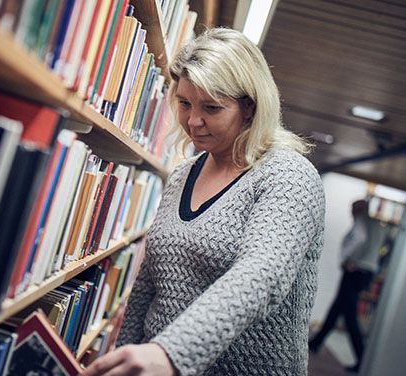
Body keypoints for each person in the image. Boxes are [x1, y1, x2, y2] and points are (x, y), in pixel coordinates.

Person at [81, 27, 325, 376]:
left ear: (249, 108)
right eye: (184, 103)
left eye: (211, 107)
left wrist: (171, 353)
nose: (193, 121)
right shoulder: (183, 175)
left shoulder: (289, 175)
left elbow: (261, 277)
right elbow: (150, 281)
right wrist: (127, 354)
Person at [309, 199, 386, 373]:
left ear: (358, 210)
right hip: (366, 272)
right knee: (337, 307)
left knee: (350, 316)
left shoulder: (362, 220)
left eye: (352, 210)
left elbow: (359, 237)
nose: (351, 214)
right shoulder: (377, 225)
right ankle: (316, 342)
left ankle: (362, 358)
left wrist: (345, 259)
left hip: (355, 270)